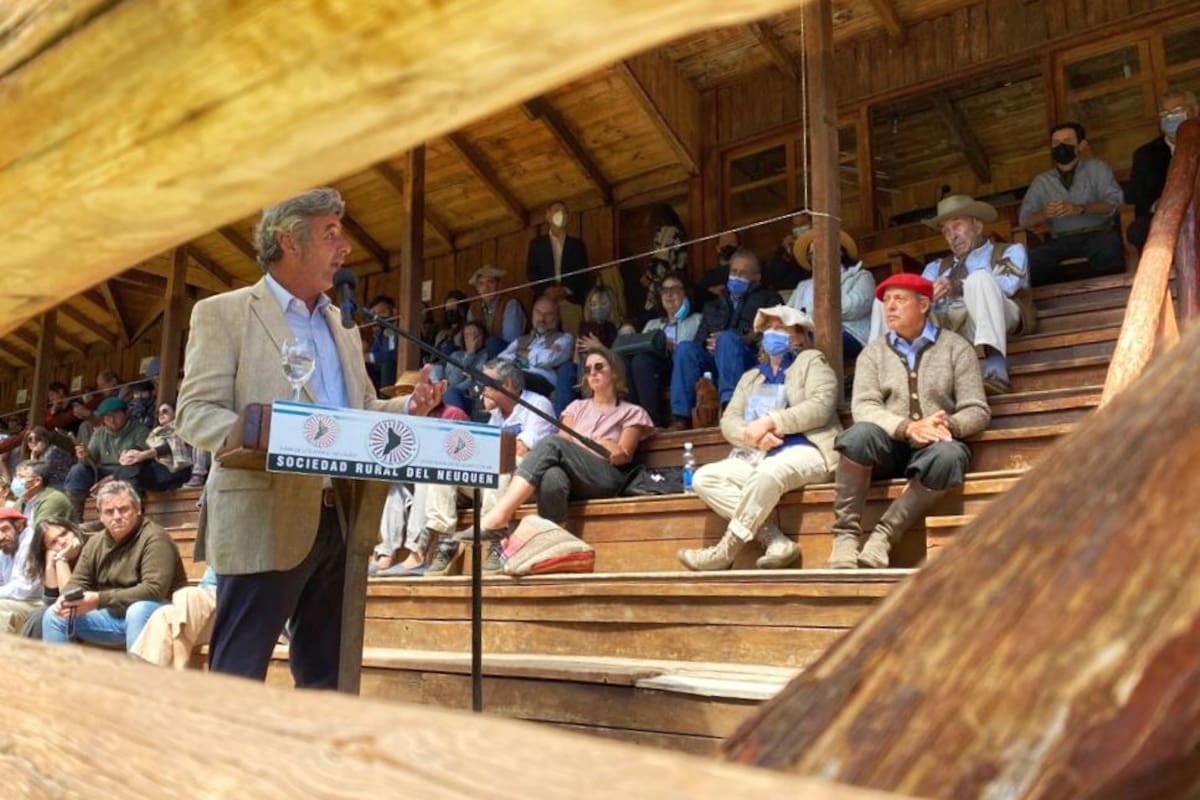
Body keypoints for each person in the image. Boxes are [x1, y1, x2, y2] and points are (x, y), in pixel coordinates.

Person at [175, 187, 414, 688]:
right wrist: (253, 432)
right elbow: (195, 413)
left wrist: (411, 407)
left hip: (342, 516)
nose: (345, 247)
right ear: (290, 241)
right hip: (263, 515)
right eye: (331, 234)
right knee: (237, 677)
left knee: (329, 681)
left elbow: (361, 412)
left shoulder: (343, 325)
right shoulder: (225, 313)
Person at [827, 274, 990, 570]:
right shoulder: (872, 352)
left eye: (899, 299)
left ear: (924, 304)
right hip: (889, 445)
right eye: (886, 301)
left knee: (951, 456)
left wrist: (948, 425)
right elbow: (864, 406)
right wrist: (906, 427)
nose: (890, 307)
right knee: (856, 436)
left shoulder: (956, 347)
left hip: (934, 446)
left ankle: (883, 538)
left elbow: (977, 409)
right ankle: (845, 537)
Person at [680, 306, 841, 571]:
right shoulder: (751, 376)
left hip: (806, 448)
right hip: (757, 453)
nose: (772, 333)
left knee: (767, 473)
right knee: (703, 478)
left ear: (798, 334)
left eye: (780, 328)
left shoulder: (811, 361)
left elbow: (820, 406)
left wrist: (771, 422)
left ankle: (725, 552)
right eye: (768, 329)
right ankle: (775, 541)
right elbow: (729, 420)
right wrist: (752, 437)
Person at [478, 346, 654, 571]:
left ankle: (500, 515)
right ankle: (554, 545)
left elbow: (621, 455)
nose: (592, 373)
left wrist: (582, 444)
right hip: (574, 477)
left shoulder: (632, 412)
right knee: (552, 475)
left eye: (599, 367)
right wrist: (599, 444)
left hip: (606, 478)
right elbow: (565, 446)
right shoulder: (575, 408)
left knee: (551, 445)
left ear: (615, 373)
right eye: (588, 369)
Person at [424, 360, 559, 576]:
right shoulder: (496, 415)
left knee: (501, 460)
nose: (481, 386)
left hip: (525, 485)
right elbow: (485, 455)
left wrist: (486, 455)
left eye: (487, 381)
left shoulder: (537, 404)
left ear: (506, 384)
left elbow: (522, 449)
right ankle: (445, 540)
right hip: (494, 484)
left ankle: (496, 537)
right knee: (444, 466)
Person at [42, 481, 187, 649]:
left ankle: (140, 674)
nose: (117, 516)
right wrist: (66, 599)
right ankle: (58, 674)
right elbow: (79, 581)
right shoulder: (95, 542)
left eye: (123, 509)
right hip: (113, 616)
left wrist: (99, 600)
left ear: (137, 509)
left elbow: (154, 590)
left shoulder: (155, 538)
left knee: (137, 610)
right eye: (109, 512)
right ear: (100, 516)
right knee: (53, 615)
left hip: (159, 611)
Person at [669, 248, 777, 430]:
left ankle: (729, 407)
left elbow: (770, 335)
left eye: (742, 274)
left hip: (748, 360)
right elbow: (699, 342)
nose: (736, 277)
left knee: (727, 339)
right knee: (685, 348)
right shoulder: (714, 304)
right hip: (714, 363)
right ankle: (680, 417)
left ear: (756, 277)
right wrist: (708, 345)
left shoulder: (769, 299)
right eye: (733, 272)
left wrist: (738, 339)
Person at [1018, 122, 1125, 286]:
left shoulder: (1097, 168)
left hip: (1098, 233)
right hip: (1060, 240)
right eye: (1056, 143)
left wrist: (1081, 208)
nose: (1061, 146)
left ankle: (1113, 294)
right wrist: (1044, 213)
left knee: (1109, 248)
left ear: (1081, 145)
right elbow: (1024, 219)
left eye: (1067, 141)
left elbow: (1115, 202)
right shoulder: (1041, 181)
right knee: (1033, 260)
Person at [624, 271, 702, 427]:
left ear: (685, 293)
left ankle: (652, 422)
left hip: (681, 371)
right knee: (636, 361)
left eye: (675, 289)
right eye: (665, 290)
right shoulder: (652, 324)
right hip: (655, 371)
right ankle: (638, 422)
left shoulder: (697, 319)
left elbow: (697, 351)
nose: (669, 294)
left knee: (643, 362)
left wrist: (673, 347)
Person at [1127, 89, 1199, 252]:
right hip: (1163, 217)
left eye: (1177, 111)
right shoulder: (1145, 154)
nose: (1170, 117)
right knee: (1138, 230)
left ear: (1194, 111)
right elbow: (1137, 195)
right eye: (1165, 113)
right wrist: (1158, 204)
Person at [63, 397, 159, 517]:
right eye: (107, 417)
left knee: (133, 471)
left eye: (116, 415)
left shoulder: (140, 431)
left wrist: (113, 477)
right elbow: (90, 462)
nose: (112, 420)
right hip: (103, 471)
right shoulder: (100, 433)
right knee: (77, 470)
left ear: (126, 413)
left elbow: (139, 462)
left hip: (129, 472)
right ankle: (75, 518)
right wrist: (84, 456)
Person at [787, 228, 873, 364]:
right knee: (779, 345)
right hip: (804, 336)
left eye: (822, 249)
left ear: (839, 251)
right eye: (811, 254)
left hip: (847, 335)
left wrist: (813, 311)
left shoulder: (860, 276)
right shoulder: (803, 286)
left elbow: (856, 307)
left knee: (810, 344)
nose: (816, 256)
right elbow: (787, 314)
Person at [498, 296, 576, 416]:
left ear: (557, 318)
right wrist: (538, 354)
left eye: (548, 314)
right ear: (532, 314)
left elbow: (550, 359)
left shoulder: (564, 338)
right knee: (489, 381)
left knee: (512, 380)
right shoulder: (521, 339)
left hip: (543, 381)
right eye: (538, 312)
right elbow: (502, 358)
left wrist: (523, 352)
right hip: (517, 375)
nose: (542, 318)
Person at [129, 565, 218, 668]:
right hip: (206, 606)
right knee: (163, 615)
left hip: (229, 609)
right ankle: (148, 679)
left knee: (188, 594)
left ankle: (180, 666)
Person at [527, 200, 590, 335]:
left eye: (564, 212)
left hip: (570, 299)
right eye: (556, 211)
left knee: (572, 338)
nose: (560, 215)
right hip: (545, 299)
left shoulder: (577, 245)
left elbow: (583, 274)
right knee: (543, 340)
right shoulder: (537, 245)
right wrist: (546, 290)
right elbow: (532, 272)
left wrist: (565, 290)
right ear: (547, 216)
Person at [20, 517, 86, 640]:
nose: (62, 541)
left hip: (90, 608)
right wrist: (50, 564)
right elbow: (50, 602)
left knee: (42, 616)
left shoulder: (89, 550)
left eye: (64, 533)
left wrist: (62, 559)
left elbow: (71, 600)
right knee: (38, 615)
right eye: (53, 542)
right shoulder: (58, 558)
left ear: (73, 530)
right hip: (69, 610)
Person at [466, 266, 527, 358]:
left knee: (492, 343)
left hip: (508, 355)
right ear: (477, 289)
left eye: (490, 282)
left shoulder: (510, 304)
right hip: (482, 354)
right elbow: (469, 338)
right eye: (481, 284)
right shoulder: (473, 308)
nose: (486, 288)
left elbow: (511, 340)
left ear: (499, 285)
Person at [436, 320, 490, 415]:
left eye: (476, 334)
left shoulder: (487, 355)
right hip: (458, 396)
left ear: (483, 337)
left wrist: (469, 381)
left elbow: (480, 383)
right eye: (467, 335)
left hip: (477, 399)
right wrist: (470, 354)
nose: (472, 338)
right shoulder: (456, 355)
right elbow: (453, 381)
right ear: (463, 339)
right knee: (451, 393)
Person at [0, 507, 40, 632]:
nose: (1, 536)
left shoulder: (31, 542)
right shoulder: (7, 545)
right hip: (16, 600)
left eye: (4, 529)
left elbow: (24, 589)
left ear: (19, 525)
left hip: (37, 602)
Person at [12, 459, 75, 528]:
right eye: (16, 476)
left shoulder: (53, 500)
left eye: (21, 477)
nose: (15, 480)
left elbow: (39, 534)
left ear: (37, 481)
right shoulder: (23, 500)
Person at [764, 212, 814, 292]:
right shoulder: (787, 247)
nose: (798, 229)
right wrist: (787, 254)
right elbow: (772, 277)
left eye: (802, 224)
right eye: (795, 226)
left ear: (812, 224)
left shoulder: (821, 244)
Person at [365, 294, 399, 392]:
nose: (378, 317)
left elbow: (393, 354)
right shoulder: (381, 333)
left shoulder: (398, 329)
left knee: (387, 364)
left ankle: (385, 398)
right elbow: (373, 352)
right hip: (381, 373)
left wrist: (369, 357)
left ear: (394, 312)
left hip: (399, 371)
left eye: (382, 312)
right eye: (375, 315)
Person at [434, 290, 468, 354]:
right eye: (447, 309)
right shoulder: (441, 334)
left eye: (453, 307)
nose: (450, 311)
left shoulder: (466, 331)